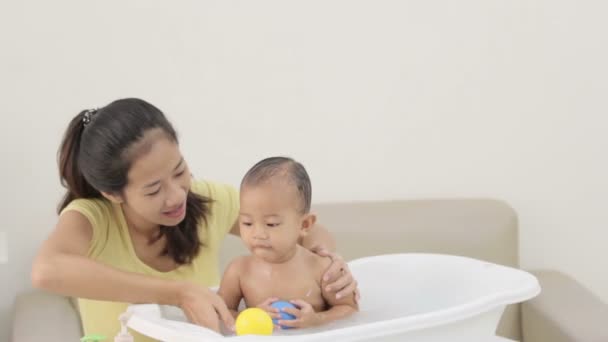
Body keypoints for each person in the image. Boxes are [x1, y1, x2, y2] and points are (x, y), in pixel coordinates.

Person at [31, 98, 358, 341]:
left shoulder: (208, 200)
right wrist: (177, 292)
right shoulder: (92, 218)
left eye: (179, 171)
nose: (176, 196)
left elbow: (306, 229)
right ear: (113, 194)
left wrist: (329, 264)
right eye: (154, 189)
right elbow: (46, 271)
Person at [218, 157, 358, 330]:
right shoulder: (239, 271)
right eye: (247, 223)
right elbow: (220, 313)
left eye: (271, 224)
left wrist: (318, 320)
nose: (258, 234)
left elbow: (350, 309)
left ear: (304, 225)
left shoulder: (322, 269)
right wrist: (246, 316)